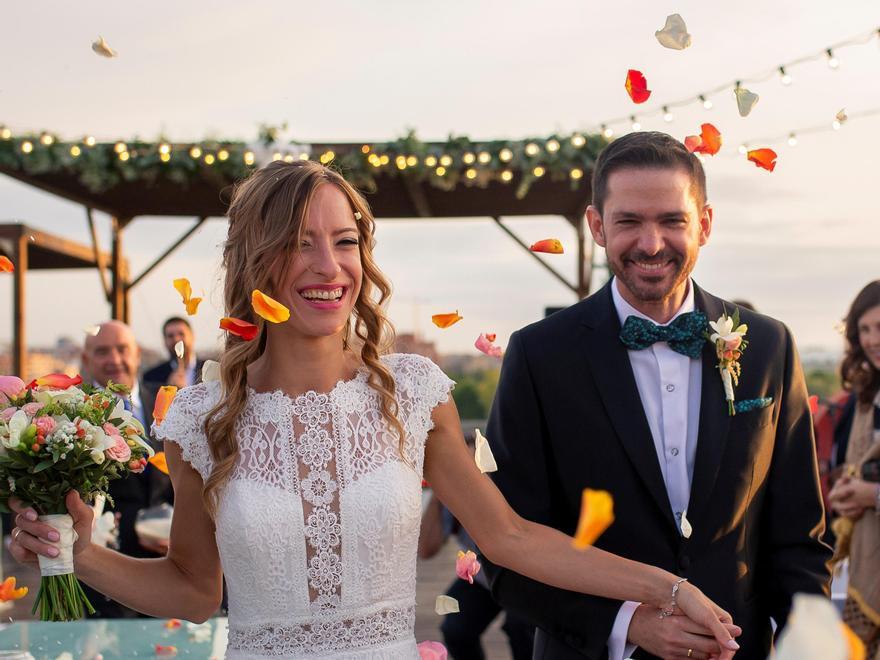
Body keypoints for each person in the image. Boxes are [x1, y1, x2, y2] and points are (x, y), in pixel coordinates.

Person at [8, 161, 740, 659]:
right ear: (255, 262)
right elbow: (197, 592)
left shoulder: (413, 394)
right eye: (300, 244)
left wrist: (667, 586)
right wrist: (81, 557)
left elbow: (512, 537)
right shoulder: (202, 418)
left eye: (346, 242)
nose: (331, 268)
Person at [483, 132, 831, 660]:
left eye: (672, 220)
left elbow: (798, 537)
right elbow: (505, 548)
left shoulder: (768, 347)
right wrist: (628, 624)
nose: (651, 244)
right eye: (629, 222)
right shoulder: (538, 356)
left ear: (705, 224)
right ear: (597, 225)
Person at [80, 320, 175, 617]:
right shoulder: (73, 412)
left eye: (122, 350)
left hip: (167, 568)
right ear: (86, 359)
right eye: (102, 351)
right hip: (104, 576)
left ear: (137, 355)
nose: (114, 360)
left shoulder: (169, 402)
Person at [827, 280, 880, 657]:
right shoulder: (867, 395)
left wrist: (872, 495)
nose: (873, 339)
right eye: (865, 329)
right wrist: (846, 493)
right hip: (867, 552)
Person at [419, 491, 535, 659]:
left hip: (527, 575)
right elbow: (426, 549)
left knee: (522, 627)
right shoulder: (456, 488)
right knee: (455, 628)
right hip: (484, 576)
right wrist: (438, 494)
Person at [143, 316, 205, 389]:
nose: (176, 339)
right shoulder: (152, 377)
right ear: (164, 341)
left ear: (192, 336)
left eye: (181, 334)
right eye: (170, 336)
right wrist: (168, 390)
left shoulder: (210, 369)